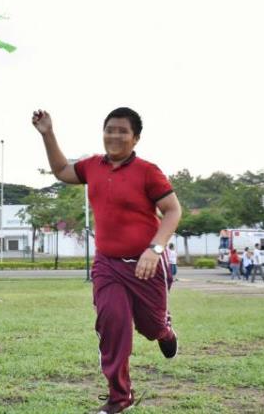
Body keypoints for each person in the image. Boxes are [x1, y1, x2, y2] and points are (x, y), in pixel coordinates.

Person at [33, 107, 182, 413]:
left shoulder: (148, 171)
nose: (114, 135)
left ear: (135, 138)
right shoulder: (92, 166)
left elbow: (173, 211)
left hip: (146, 265)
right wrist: (48, 133)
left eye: (122, 131)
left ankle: (165, 332)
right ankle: (119, 397)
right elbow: (62, 171)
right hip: (107, 265)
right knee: (113, 325)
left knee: (150, 327)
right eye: (109, 129)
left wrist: (154, 250)